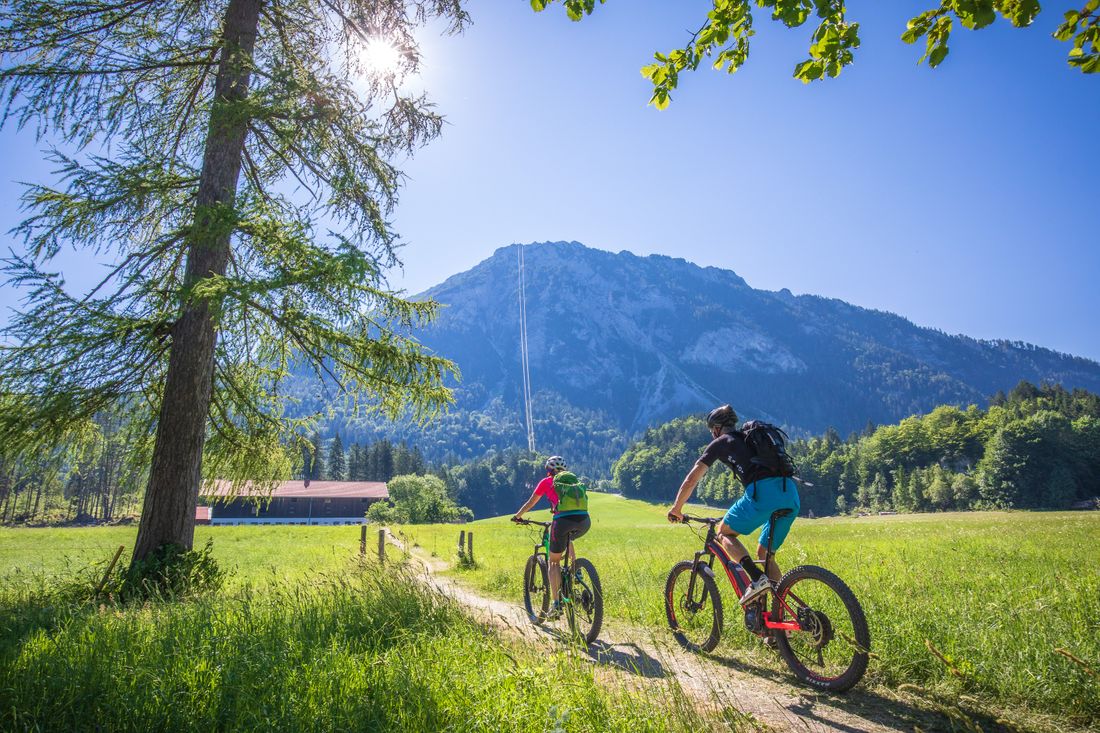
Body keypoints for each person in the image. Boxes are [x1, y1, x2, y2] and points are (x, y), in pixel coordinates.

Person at [667, 404, 800, 608]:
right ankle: (780, 619)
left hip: (763, 494)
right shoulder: (749, 439)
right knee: (765, 555)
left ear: (716, 428)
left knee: (723, 533)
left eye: (712, 431)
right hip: (789, 493)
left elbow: (691, 479)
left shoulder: (721, 443)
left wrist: (676, 509)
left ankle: (757, 578)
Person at [512, 455, 590, 619]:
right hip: (584, 520)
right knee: (568, 538)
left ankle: (556, 605)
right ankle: (577, 572)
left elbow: (531, 502)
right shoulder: (573, 481)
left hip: (562, 521)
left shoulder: (547, 482)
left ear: (548, 469)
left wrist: (518, 516)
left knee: (553, 562)